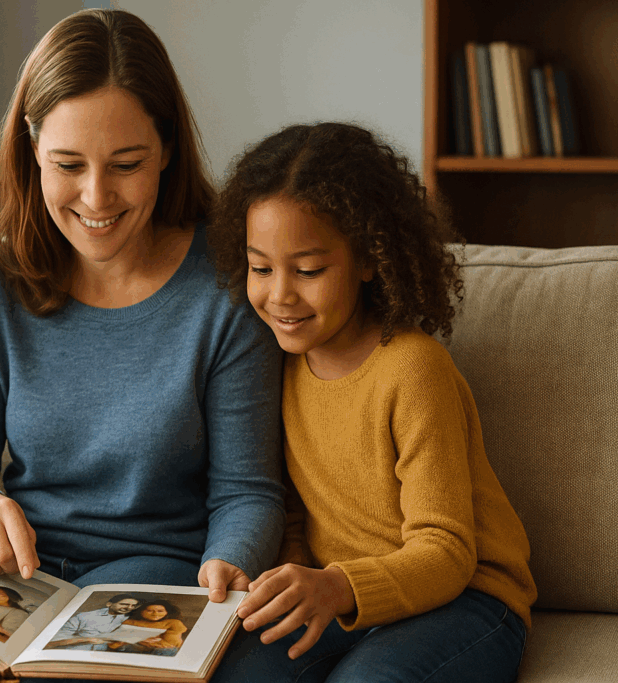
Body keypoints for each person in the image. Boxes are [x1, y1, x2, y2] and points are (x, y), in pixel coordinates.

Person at [0, 8, 283, 683]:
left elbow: (248, 490)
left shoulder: (230, 290)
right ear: (31, 149)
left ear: (167, 148)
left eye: (126, 163)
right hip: (17, 574)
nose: (96, 196)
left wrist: (231, 557)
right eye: (68, 164)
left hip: (153, 576)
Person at [205, 122, 538, 682]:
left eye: (308, 270)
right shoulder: (276, 364)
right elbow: (291, 510)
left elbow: (447, 550)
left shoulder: (413, 369)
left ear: (367, 259)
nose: (280, 294)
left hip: (469, 601)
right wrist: (292, 578)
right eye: (261, 268)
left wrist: (336, 587)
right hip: (341, 601)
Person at [45, 594, 141, 651]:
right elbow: (52, 642)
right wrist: (87, 639)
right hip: (74, 655)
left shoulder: (132, 621)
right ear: (109, 604)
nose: (129, 608)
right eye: (124, 604)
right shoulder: (84, 616)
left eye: (133, 606)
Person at [108, 599, 187, 656]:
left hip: (159, 650)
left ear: (167, 612)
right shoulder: (129, 622)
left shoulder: (174, 623)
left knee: (165, 650)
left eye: (160, 611)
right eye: (149, 610)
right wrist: (140, 640)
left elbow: (170, 644)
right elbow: (115, 642)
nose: (155, 614)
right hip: (131, 648)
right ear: (140, 611)